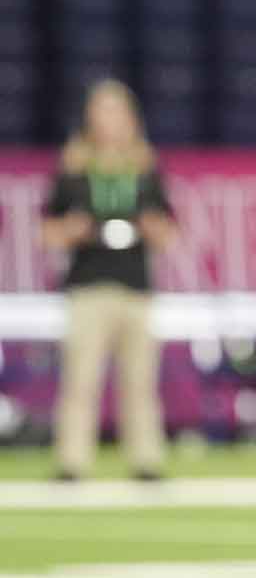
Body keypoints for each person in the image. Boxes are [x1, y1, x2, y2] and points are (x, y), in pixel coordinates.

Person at [40, 79, 178, 482]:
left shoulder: (146, 170)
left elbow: (170, 232)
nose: (110, 120)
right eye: (103, 111)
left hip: (136, 287)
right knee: (80, 380)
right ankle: (71, 462)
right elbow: (47, 231)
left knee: (140, 383)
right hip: (89, 286)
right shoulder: (75, 171)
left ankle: (146, 461)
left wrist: (153, 228)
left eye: (117, 111)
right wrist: (73, 229)